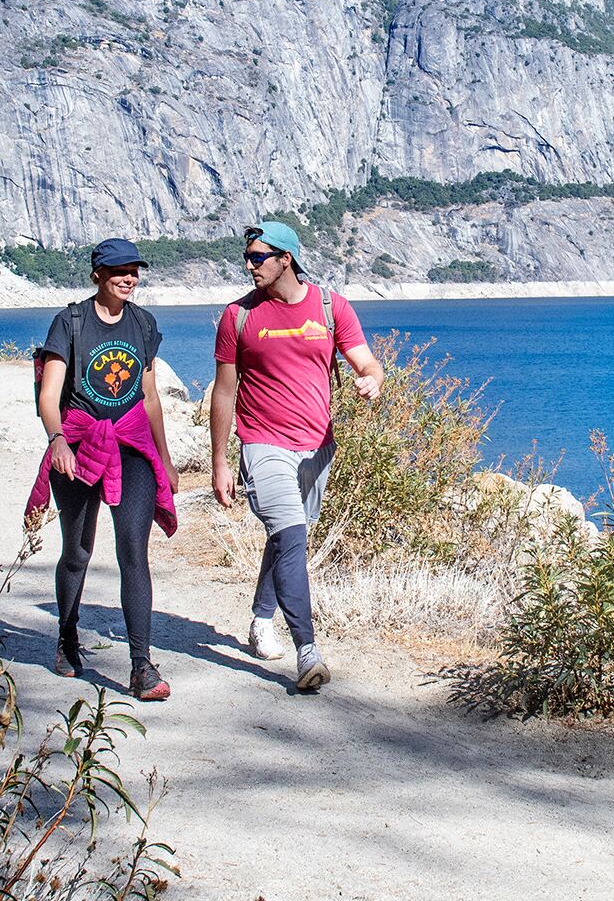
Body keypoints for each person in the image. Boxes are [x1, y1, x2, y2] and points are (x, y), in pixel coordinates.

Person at [209, 220, 383, 691]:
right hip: (263, 441)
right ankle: (308, 652)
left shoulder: (330, 307)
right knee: (291, 532)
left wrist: (371, 378)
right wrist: (221, 462)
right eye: (247, 257)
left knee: (288, 538)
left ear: (286, 258)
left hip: (317, 447)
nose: (249, 265)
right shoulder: (237, 316)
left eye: (257, 257)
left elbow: (365, 360)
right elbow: (224, 393)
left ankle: (261, 617)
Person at [25, 237, 180, 701]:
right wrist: (57, 442)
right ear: (97, 274)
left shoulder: (143, 323)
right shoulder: (70, 323)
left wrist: (165, 460)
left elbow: (149, 397)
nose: (128, 278)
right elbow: (48, 397)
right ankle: (67, 637)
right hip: (77, 443)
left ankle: (141, 666)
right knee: (77, 550)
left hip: (131, 447)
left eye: (134, 269)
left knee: (133, 549)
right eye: (118, 270)